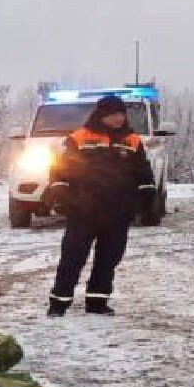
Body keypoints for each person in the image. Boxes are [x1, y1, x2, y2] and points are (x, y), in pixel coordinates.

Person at [44, 95, 155, 317]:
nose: (118, 118)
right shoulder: (79, 138)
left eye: (121, 114)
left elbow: (143, 171)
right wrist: (61, 193)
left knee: (108, 260)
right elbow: (60, 169)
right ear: (102, 115)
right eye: (113, 114)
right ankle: (59, 303)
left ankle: (97, 302)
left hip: (118, 212)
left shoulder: (132, 140)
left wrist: (146, 197)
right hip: (84, 210)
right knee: (72, 258)